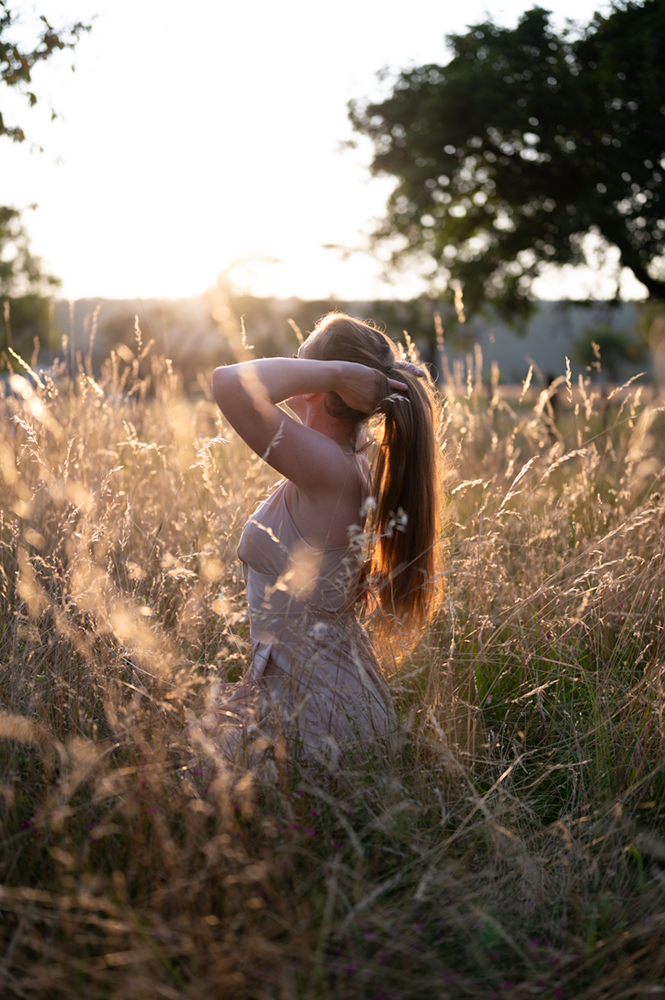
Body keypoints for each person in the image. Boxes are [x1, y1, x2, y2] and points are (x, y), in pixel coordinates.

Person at [188, 312, 443, 771]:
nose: (291, 367)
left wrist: (338, 374)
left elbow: (229, 383)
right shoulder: (339, 461)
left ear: (318, 384)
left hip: (321, 725)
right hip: (326, 707)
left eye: (299, 360)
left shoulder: (332, 468)